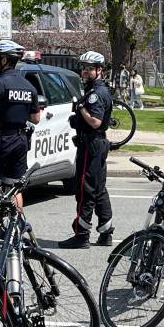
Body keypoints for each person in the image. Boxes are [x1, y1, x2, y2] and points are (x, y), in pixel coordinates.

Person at [58, 51, 114, 249]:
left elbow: (95, 121)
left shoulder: (96, 94)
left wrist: (81, 108)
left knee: (85, 189)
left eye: (90, 68)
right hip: (95, 144)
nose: (85, 71)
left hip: (92, 144)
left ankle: (81, 235)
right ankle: (106, 232)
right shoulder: (95, 91)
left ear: (100, 70)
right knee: (98, 189)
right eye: (83, 67)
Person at [0, 40, 41, 214]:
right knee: (14, 188)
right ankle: (16, 229)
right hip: (20, 141)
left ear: (4, 60)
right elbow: (36, 118)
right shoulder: (29, 87)